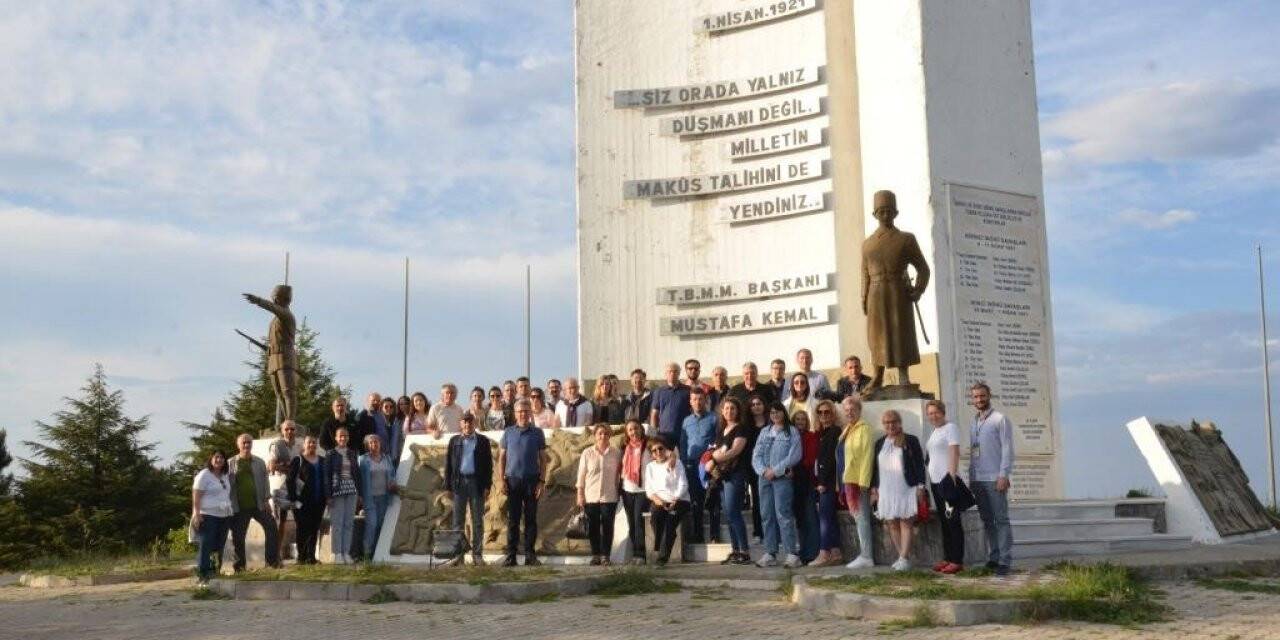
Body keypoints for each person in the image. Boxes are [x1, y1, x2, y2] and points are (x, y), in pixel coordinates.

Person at [862, 189, 931, 392]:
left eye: (889, 211)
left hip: (898, 292)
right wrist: (863, 296)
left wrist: (918, 290)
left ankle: (903, 376)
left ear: (895, 213)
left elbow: (923, 269)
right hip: (875, 293)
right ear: (874, 214)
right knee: (876, 336)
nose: (885, 215)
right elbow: (863, 273)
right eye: (881, 211)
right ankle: (877, 375)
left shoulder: (906, 239)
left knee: (901, 332)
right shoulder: (867, 244)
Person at [870, 410, 928, 571]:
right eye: (887, 422)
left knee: (906, 522)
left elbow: (919, 465)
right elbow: (874, 469)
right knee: (891, 523)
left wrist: (921, 486)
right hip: (885, 489)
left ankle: (903, 558)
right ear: (884, 425)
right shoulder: (879, 443)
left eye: (894, 421)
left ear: (899, 423)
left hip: (905, 488)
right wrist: (874, 489)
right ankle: (902, 557)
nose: (891, 425)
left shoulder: (910, 440)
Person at [969, 382, 1014, 575]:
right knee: (987, 520)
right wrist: (971, 477)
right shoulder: (974, 423)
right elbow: (974, 452)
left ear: (989, 396)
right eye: (976, 397)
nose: (979, 400)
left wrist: (1003, 475)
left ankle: (1005, 560)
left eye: (982, 396)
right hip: (978, 480)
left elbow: (1007, 448)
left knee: (1001, 519)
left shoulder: (999, 419)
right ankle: (993, 557)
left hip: (995, 478)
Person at [751, 403, 802, 568]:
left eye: (777, 411)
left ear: (783, 412)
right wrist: (763, 470)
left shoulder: (791, 431)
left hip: (782, 479)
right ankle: (770, 553)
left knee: (784, 514)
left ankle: (791, 554)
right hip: (764, 478)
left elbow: (794, 455)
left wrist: (777, 470)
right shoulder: (764, 432)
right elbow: (756, 455)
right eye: (772, 412)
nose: (775, 414)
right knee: (766, 515)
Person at [498, 399, 547, 566]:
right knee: (513, 520)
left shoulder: (537, 433)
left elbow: (543, 459)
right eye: (520, 411)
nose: (523, 414)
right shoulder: (508, 432)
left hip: (532, 481)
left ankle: (529, 555)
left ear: (530, 413)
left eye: (526, 411)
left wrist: (541, 481)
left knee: (531, 520)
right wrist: (501, 480)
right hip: (512, 481)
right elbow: (502, 457)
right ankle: (511, 555)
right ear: (515, 413)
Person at [227, 433, 280, 571]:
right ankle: (239, 567)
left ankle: (272, 562)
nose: (246, 445)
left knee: (272, 527)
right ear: (238, 445)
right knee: (238, 536)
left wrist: (267, 500)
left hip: (259, 504)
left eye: (249, 442)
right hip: (239, 507)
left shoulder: (259, 462)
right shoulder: (230, 463)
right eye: (243, 443)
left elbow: (265, 481)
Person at [445, 411, 493, 565]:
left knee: (477, 520)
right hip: (459, 484)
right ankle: (458, 556)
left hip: (476, 483)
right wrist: (448, 486)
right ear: (461, 424)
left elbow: (488, 465)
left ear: (474, 424)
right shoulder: (454, 441)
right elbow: (448, 465)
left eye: (470, 422)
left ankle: (477, 555)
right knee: (457, 521)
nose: (467, 424)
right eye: (464, 422)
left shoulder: (483, 441)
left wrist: (487, 485)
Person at [708, 398, 751, 565]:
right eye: (726, 408)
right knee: (728, 513)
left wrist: (715, 458)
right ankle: (735, 550)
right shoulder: (722, 430)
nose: (729, 411)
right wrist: (712, 459)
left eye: (733, 408)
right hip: (723, 476)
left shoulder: (741, 428)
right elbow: (716, 449)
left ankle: (744, 551)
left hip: (736, 474)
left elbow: (735, 450)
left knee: (734, 512)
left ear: (737, 411)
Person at [924, 399, 965, 573]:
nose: (933, 416)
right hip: (935, 483)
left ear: (943, 412)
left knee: (953, 520)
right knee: (944, 521)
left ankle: (957, 560)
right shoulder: (935, 431)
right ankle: (948, 557)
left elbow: (954, 451)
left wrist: (952, 476)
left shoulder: (951, 428)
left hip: (947, 482)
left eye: (936, 412)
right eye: (930, 414)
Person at [577, 423, 623, 565]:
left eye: (605, 433)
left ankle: (605, 556)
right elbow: (581, 475)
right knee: (593, 527)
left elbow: (620, 474)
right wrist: (580, 494)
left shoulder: (616, 453)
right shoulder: (587, 453)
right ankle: (596, 554)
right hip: (591, 496)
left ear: (609, 435)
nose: (603, 436)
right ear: (595, 436)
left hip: (609, 496)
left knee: (608, 527)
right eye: (600, 433)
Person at [840, 395, 877, 569]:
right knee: (858, 518)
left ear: (859, 411)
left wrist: (863, 483)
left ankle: (867, 556)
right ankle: (864, 553)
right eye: (846, 410)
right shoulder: (847, 429)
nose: (849, 413)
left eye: (852, 409)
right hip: (848, 481)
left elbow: (867, 455)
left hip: (858, 482)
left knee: (862, 518)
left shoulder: (864, 429)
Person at [679, 387, 718, 545]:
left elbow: (718, 441)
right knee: (696, 501)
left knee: (713, 500)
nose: (698, 402)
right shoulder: (686, 421)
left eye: (700, 399)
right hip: (691, 466)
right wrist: (684, 460)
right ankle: (698, 535)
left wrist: (713, 459)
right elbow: (683, 443)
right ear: (690, 401)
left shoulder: (714, 418)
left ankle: (715, 535)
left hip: (709, 465)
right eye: (694, 399)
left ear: (706, 400)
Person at [644, 436, 689, 567]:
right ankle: (660, 546)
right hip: (660, 500)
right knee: (655, 518)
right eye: (654, 450)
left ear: (666, 449)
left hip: (679, 500)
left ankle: (662, 558)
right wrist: (657, 500)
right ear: (651, 454)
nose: (658, 452)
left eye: (660, 448)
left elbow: (683, 484)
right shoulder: (650, 467)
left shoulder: (676, 463)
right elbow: (649, 489)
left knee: (670, 523)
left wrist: (675, 499)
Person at [192, 450, 233, 583]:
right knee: (206, 546)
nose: (219, 460)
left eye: (221, 457)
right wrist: (197, 514)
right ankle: (202, 575)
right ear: (211, 459)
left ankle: (214, 572)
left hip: (224, 516)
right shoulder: (204, 475)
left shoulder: (225, 475)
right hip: (208, 515)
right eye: (216, 457)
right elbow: (196, 495)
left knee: (218, 546)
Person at [812, 400, 844, 566]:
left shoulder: (835, 431)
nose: (824, 415)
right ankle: (836, 552)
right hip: (822, 481)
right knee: (829, 516)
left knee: (824, 517)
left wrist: (823, 482)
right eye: (821, 412)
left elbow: (831, 459)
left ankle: (824, 552)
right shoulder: (821, 433)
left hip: (829, 482)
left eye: (827, 412)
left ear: (833, 414)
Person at [325, 427, 362, 564]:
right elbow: (327, 476)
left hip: (351, 491)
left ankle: (346, 552)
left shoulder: (352, 454)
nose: (343, 438)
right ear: (336, 438)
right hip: (337, 491)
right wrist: (328, 495)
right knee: (337, 523)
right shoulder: (330, 454)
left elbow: (357, 474)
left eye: (345, 436)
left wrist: (360, 493)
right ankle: (337, 553)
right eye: (340, 436)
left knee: (348, 523)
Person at [267, 420, 303, 564]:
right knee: (280, 522)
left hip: (296, 487)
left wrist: (287, 466)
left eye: (292, 429)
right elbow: (271, 466)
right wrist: (290, 468)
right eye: (287, 429)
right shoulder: (277, 445)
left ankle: (302, 554)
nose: (290, 431)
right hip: (281, 487)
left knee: (300, 520)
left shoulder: (299, 446)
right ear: (282, 431)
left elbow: (301, 467)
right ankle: (276, 556)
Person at [287, 436, 326, 565]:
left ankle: (311, 557)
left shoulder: (322, 460)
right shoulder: (298, 460)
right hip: (301, 502)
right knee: (302, 529)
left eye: (314, 442)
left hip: (319, 501)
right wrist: (293, 499)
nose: (312, 445)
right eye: (309, 442)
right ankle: (301, 558)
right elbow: (290, 480)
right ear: (304, 445)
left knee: (314, 529)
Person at [359, 434, 397, 561]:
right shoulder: (363, 460)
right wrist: (359, 496)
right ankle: (366, 554)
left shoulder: (387, 458)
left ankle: (378, 553)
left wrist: (392, 482)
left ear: (380, 444)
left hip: (384, 498)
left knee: (381, 525)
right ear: (367, 445)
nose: (374, 445)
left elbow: (392, 474)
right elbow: (358, 479)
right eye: (371, 443)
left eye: (376, 442)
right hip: (370, 498)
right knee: (372, 525)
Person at [619, 419, 651, 565]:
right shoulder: (624, 447)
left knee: (639, 522)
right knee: (631, 523)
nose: (633, 432)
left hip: (643, 489)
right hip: (627, 489)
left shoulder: (649, 445)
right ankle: (635, 553)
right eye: (630, 429)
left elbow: (667, 452)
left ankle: (641, 554)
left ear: (641, 429)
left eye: (636, 428)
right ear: (627, 433)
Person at [791, 409, 820, 564]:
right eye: (797, 419)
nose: (800, 422)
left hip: (807, 481)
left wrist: (792, 466)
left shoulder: (811, 436)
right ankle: (803, 552)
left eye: (803, 419)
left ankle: (813, 552)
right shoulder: (789, 437)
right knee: (800, 519)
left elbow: (810, 460)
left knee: (810, 517)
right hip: (793, 483)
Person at [744, 393, 769, 542]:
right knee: (757, 501)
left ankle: (772, 533)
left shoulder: (771, 424)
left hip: (771, 468)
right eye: (753, 404)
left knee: (770, 502)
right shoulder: (747, 427)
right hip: (753, 469)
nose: (756, 406)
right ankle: (758, 532)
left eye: (759, 403)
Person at [650, 362, 691, 439]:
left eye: (675, 371)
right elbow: (654, 414)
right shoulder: (659, 392)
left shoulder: (687, 390)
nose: (672, 374)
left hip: (684, 433)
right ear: (665, 374)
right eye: (670, 371)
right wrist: (653, 434)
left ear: (679, 373)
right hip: (664, 434)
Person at [377, 396, 401, 462]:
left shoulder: (396, 423)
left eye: (391, 407)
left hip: (393, 457)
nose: (389, 409)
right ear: (381, 408)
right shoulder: (377, 422)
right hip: (380, 456)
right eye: (386, 407)